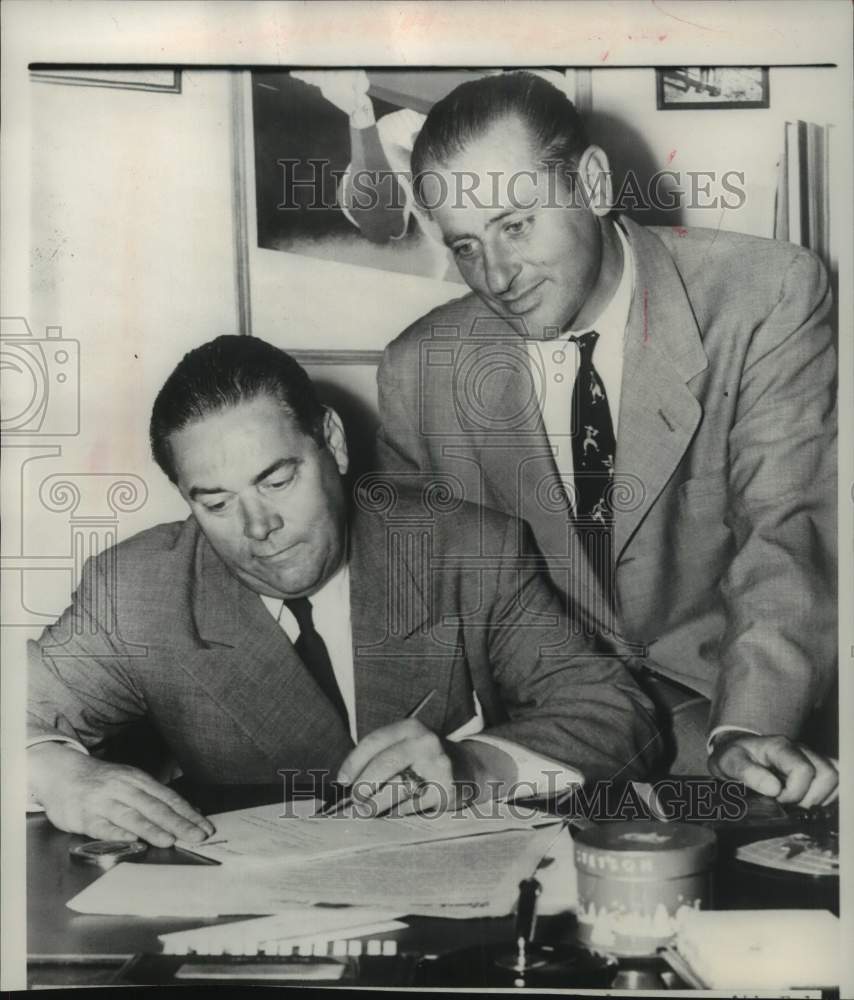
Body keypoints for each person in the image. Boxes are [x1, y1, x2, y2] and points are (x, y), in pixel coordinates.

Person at [375, 71, 838, 807]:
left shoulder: (763, 296)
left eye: (516, 224)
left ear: (591, 183)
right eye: (465, 247)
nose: (496, 275)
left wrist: (752, 725)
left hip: (735, 731)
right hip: (540, 752)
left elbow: (786, 534)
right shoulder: (417, 372)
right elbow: (420, 603)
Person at [27, 335, 660, 847]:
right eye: (216, 503)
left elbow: (617, 715)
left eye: (277, 480)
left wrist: (474, 767)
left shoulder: (468, 548)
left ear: (330, 441)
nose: (258, 528)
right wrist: (57, 772)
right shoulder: (138, 589)